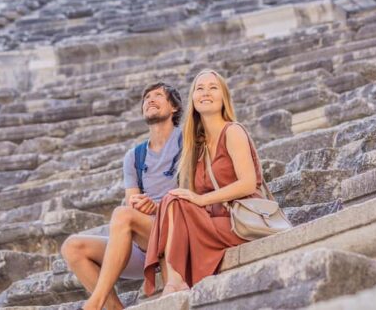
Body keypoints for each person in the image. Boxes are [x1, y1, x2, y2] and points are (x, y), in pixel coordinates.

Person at [61, 82, 183, 310]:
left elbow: (194, 193)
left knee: (122, 215)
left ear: (174, 107)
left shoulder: (187, 142)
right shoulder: (134, 156)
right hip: (144, 239)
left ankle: (94, 303)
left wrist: (158, 208)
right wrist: (140, 205)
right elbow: (132, 201)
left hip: (178, 229)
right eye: (146, 97)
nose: (150, 100)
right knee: (72, 247)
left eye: (158, 95)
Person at [143, 69, 264, 296]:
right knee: (175, 198)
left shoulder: (233, 131)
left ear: (223, 98)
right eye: (199, 88)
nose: (205, 93)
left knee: (176, 200)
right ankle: (175, 281)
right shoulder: (195, 146)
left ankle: (175, 282)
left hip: (241, 219)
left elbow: (248, 184)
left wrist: (201, 199)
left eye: (213, 88)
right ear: (193, 99)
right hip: (213, 219)